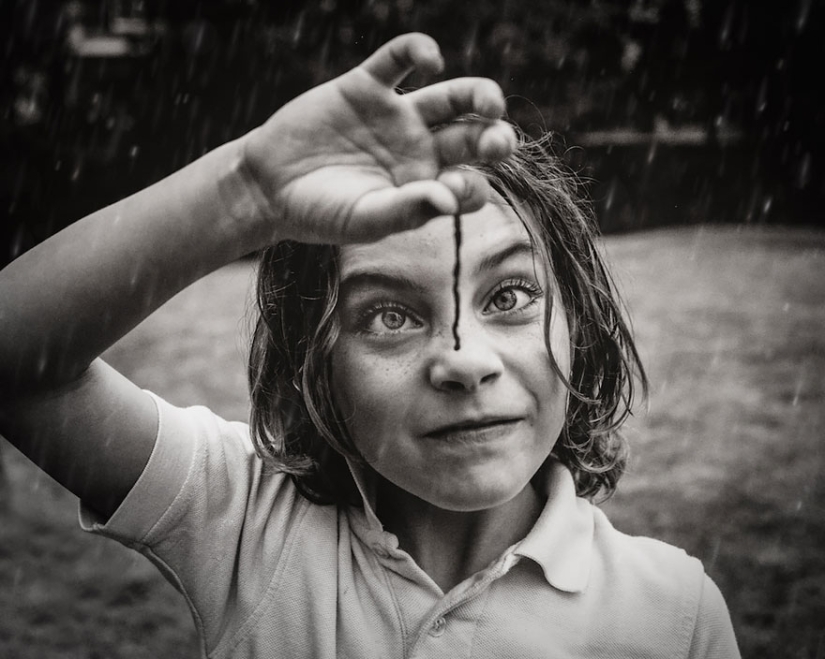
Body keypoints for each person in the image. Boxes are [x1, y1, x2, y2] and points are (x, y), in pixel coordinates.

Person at [0, 33, 739, 658]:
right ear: (317, 366)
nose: (464, 359)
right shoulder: (245, 524)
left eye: (508, 296)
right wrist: (246, 193)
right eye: (389, 315)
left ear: (575, 327)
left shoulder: (674, 616)